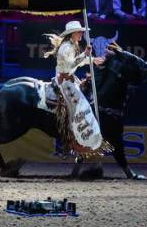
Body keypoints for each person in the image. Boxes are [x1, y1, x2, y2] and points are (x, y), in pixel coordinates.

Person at [43, 20, 106, 154]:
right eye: (80, 32)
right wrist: (85, 54)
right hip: (64, 81)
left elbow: (76, 63)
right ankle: (70, 139)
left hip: (70, 79)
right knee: (80, 107)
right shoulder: (66, 47)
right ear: (72, 34)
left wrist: (92, 60)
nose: (82, 34)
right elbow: (70, 65)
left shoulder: (72, 45)